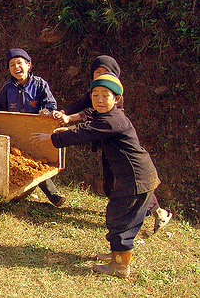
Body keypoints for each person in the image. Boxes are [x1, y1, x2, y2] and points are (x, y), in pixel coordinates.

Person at [31, 73, 161, 278]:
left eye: (105, 96)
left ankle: (120, 266)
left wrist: (52, 137)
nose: (99, 100)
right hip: (133, 175)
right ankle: (115, 255)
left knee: (121, 219)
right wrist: (69, 127)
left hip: (136, 178)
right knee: (118, 215)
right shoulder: (107, 117)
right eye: (95, 96)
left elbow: (84, 134)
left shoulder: (113, 119)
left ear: (116, 99)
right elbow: (88, 127)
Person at [53, 55, 172, 238]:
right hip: (106, 141)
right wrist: (64, 112)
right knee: (115, 183)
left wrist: (69, 122)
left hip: (116, 142)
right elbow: (81, 104)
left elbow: (91, 113)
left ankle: (150, 214)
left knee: (131, 184)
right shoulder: (97, 90)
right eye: (97, 73)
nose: (100, 76)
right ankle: (133, 214)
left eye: (105, 72)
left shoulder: (113, 96)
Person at [0, 48, 65, 207]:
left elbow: (50, 104)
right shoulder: (8, 86)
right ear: (9, 70)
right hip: (13, 129)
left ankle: (53, 194)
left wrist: (47, 110)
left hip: (33, 130)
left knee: (35, 161)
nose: (16, 67)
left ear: (28, 65)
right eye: (12, 65)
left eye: (19, 63)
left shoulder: (40, 84)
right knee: (8, 159)